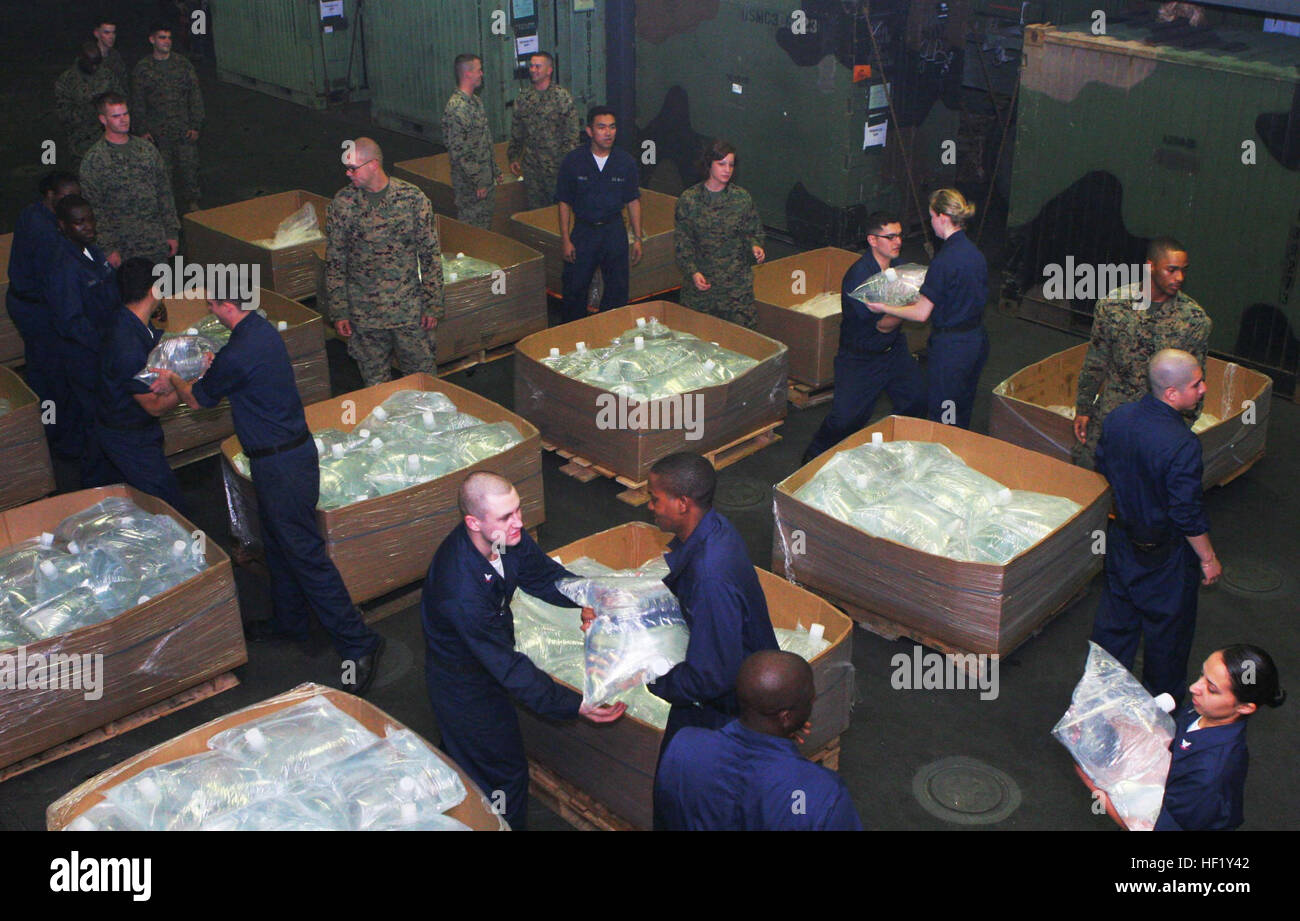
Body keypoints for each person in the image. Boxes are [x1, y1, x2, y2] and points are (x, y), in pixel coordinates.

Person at [156, 294, 384, 694]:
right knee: (278, 545)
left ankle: (359, 642)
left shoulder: (238, 353)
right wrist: (216, 369)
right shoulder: (258, 333)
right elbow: (235, 375)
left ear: (227, 305)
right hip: (289, 456)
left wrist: (172, 376)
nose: (210, 311)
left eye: (212, 305)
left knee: (305, 554)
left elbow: (196, 398)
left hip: (280, 466)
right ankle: (289, 621)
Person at [421, 471, 625, 830]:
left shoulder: (502, 540)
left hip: (488, 657)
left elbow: (543, 576)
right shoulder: (460, 589)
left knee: (465, 759)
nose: (518, 522)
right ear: (473, 522)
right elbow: (507, 667)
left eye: (517, 510)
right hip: (466, 684)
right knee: (504, 774)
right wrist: (574, 704)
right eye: (505, 517)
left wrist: (589, 598)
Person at [1091, 349, 1222, 704]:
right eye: (1196, 384)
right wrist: (1208, 559)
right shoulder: (1182, 444)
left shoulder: (1118, 418)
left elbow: (1101, 462)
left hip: (1121, 541)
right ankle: (1160, 715)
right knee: (1167, 642)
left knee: (1114, 629)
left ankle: (1099, 704)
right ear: (1172, 394)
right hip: (1165, 558)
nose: (1204, 389)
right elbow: (1187, 513)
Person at [635, 453, 778, 758]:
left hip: (731, 706)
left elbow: (711, 676)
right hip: (743, 675)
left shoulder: (709, 577)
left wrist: (650, 679)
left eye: (655, 499)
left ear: (683, 503)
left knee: (676, 766)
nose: (650, 506)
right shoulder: (716, 529)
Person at [654, 650, 863, 830]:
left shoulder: (684, 746)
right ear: (786, 717)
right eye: (810, 698)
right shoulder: (822, 794)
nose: (814, 699)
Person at [1073, 236, 1211, 469]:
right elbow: (1096, 362)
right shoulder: (1113, 306)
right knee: (1086, 468)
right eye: (1172, 270)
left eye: (1183, 271)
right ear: (1151, 267)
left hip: (1158, 421)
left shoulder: (1193, 320)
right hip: (1113, 412)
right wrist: (1084, 409)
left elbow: (1195, 383)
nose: (1180, 278)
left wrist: (1177, 431)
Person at [802, 211, 928, 463]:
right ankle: (811, 463)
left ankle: (898, 456)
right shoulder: (859, 279)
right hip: (861, 360)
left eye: (900, 235)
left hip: (894, 352)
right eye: (890, 237)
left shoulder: (898, 267)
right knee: (846, 419)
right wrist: (912, 310)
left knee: (916, 400)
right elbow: (883, 326)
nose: (898, 242)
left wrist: (909, 303)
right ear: (872, 240)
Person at [863, 189, 988, 430]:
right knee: (960, 409)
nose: (931, 223)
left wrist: (883, 306)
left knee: (942, 414)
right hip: (976, 341)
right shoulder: (975, 254)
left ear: (942, 217)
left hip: (951, 349)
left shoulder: (944, 260)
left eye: (931, 217)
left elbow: (921, 314)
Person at [326, 137, 443, 387]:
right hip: (364, 316)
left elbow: (430, 255)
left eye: (353, 168)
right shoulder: (343, 204)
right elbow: (335, 261)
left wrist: (433, 304)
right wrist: (339, 310)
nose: (348, 174)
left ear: (373, 164)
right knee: (375, 387)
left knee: (423, 382)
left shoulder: (412, 199)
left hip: (408, 313)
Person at [91, 257, 186, 511]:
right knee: (167, 507)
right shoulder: (127, 346)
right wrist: (187, 385)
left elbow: (156, 342)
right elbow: (154, 406)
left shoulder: (132, 321)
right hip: (129, 436)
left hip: (121, 426)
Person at [1154, 645, 1285, 831]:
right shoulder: (1202, 711)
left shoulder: (1211, 774)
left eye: (1212, 689)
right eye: (1201, 675)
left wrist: (1101, 788)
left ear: (1245, 707)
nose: (1194, 688)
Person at [5, 171, 84, 458]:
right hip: (35, 308)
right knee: (49, 372)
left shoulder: (35, 214)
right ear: (49, 196)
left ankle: (54, 430)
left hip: (29, 301)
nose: (72, 202)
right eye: (66, 197)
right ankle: (54, 436)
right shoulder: (46, 231)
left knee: (46, 367)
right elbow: (60, 284)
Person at [45, 195, 120, 484]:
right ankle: (94, 482)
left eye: (90, 219)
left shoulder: (91, 251)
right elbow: (71, 322)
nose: (88, 227)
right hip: (86, 357)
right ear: (63, 226)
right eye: (79, 223)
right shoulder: (63, 265)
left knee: (104, 417)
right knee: (98, 420)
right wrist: (106, 348)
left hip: (104, 346)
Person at [555, 106, 643, 323]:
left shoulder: (625, 162)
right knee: (575, 287)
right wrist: (566, 239)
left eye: (612, 127)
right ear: (589, 131)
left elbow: (633, 200)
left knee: (617, 289)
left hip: (614, 231)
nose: (608, 132)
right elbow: (564, 202)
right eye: (601, 127)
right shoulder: (573, 162)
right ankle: (574, 337)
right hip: (584, 231)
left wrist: (638, 238)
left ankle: (609, 334)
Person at [673, 139, 765, 329]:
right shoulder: (690, 200)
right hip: (702, 289)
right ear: (709, 164)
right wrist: (693, 272)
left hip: (736, 291)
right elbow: (683, 243)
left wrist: (755, 246)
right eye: (721, 164)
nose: (727, 169)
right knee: (699, 342)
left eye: (731, 165)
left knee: (742, 343)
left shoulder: (741, 198)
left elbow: (754, 231)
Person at [79, 92, 179, 266]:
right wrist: (108, 248)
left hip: (154, 241)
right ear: (103, 120)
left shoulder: (147, 150)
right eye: (116, 116)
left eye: (125, 114)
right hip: (123, 247)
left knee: (160, 292)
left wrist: (171, 232)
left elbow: (164, 193)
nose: (123, 120)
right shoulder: (94, 160)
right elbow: (94, 208)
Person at [131, 23, 204, 213]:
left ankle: (193, 202)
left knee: (189, 168)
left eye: (169, 38)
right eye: (162, 37)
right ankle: (166, 209)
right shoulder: (143, 69)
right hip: (158, 132)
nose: (167, 42)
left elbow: (195, 96)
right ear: (152, 40)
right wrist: (142, 130)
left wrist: (196, 125)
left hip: (183, 128)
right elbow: (138, 102)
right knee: (162, 173)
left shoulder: (182, 64)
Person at [507, 51, 580, 211]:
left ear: (549, 70)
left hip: (557, 169)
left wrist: (569, 167)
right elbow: (517, 131)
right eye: (531, 66)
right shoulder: (523, 98)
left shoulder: (562, 98)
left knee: (559, 212)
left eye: (538, 66)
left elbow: (572, 136)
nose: (533, 69)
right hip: (532, 170)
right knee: (536, 212)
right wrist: (513, 156)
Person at [441, 54, 501, 230]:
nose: (481, 74)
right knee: (472, 228)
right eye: (478, 70)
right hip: (470, 186)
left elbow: (484, 140)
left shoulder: (475, 102)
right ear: (467, 74)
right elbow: (460, 152)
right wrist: (478, 181)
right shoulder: (457, 108)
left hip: (484, 180)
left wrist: (494, 170)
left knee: (485, 226)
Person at [54, 42, 124, 169]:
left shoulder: (107, 76)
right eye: (91, 64)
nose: (95, 68)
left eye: (98, 63)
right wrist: (89, 107)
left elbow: (120, 100)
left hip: (109, 140)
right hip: (81, 145)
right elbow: (63, 114)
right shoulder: (67, 81)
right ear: (82, 59)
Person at [92, 16, 129, 92]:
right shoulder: (88, 57)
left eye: (113, 33)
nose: (111, 37)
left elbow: (124, 84)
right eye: (107, 33)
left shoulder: (116, 57)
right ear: (97, 34)